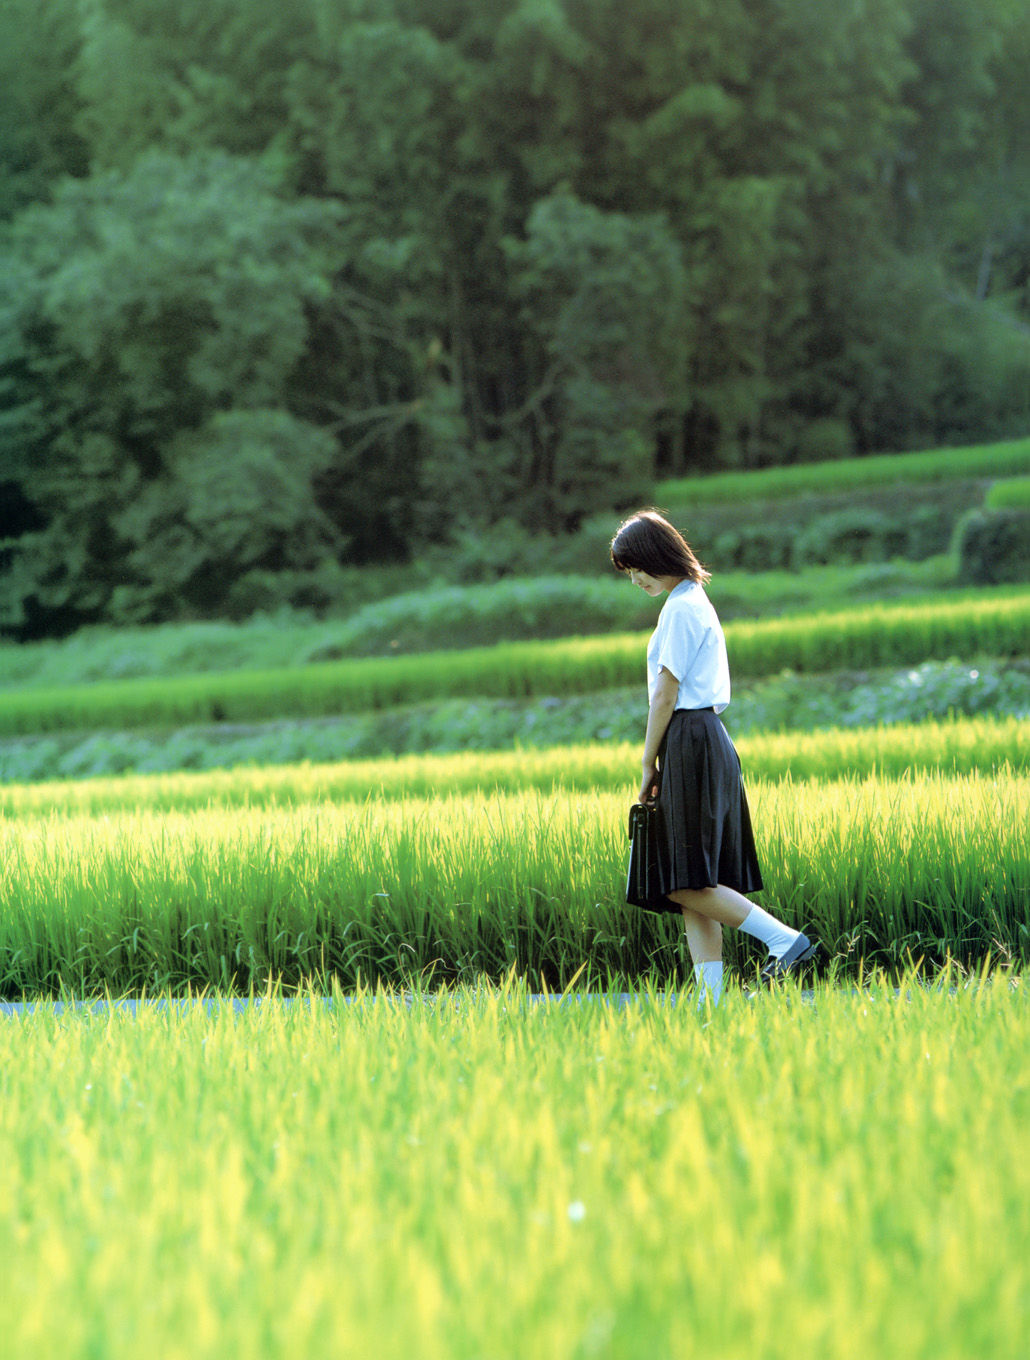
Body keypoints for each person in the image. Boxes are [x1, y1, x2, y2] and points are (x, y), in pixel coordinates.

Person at [610, 509, 818, 1005]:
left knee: (682, 882)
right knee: (694, 879)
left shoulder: (682, 609)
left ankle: (784, 941)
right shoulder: (691, 601)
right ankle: (712, 1001)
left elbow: (665, 694)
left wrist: (647, 762)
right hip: (705, 737)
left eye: (638, 567)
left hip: (690, 738)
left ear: (658, 557)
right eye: (629, 572)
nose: (636, 579)